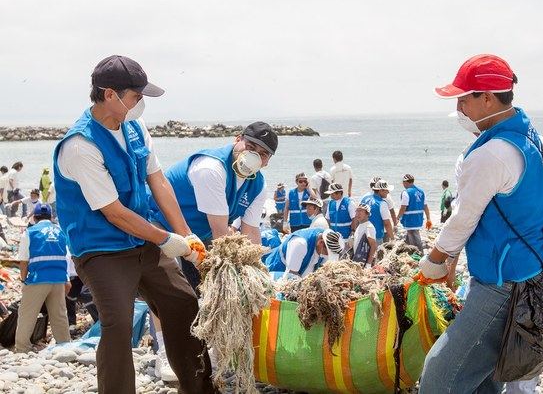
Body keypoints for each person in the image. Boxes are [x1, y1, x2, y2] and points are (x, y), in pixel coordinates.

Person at [418, 54, 543, 393]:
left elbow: (462, 220)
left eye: (464, 97)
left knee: (437, 376)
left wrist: (433, 263)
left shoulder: (490, 154)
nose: (460, 107)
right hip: (530, 278)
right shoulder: (533, 139)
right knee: (485, 379)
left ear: (487, 97)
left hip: (500, 287)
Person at [53, 55, 213, 393]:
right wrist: (167, 240)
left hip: (142, 240)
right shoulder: (80, 145)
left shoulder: (136, 128)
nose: (140, 104)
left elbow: (159, 182)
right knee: (117, 324)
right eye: (136, 96)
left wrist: (186, 234)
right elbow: (114, 212)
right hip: (101, 249)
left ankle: (200, 389)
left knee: (183, 304)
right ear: (110, 95)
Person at [150, 121, 276, 292]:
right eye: (250, 147)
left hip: (199, 234)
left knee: (204, 289)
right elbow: (220, 234)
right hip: (160, 223)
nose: (254, 156)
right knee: (176, 291)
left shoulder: (258, 185)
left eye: (262, 154)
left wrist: (256, 272)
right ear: (237, 139)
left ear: (267, 161)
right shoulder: (212, 168)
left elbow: (251, 231)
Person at [15, 203, 70, 352]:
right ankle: (65, 345)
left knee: (27, 314)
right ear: (51, 217)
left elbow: (24, 261)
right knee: (59, 315)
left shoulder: (30, 232)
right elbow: (66, 257)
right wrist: (67, 280)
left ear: (34, 217)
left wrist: (23, 280)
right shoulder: (60, 232)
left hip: (38, 279)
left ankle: (22, 348)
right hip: (58, 279)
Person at [262, 228, 344, 278]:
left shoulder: (324, 240)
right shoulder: (300, 244)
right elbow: (291, 275)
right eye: (327, 253)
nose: (326, 256)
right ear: (321, 243)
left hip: (300, 271)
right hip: (279, 269)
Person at [397, 174, 431, 251]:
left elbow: (403, 207)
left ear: (405, 182)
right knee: (410, 236)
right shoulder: (421, 191)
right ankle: (407, 250)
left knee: (415, 238)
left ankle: (419, 254)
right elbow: (425, 206)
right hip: (418, 218)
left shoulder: (406, 192)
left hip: (410, 219)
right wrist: (428, 218)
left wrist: (398, 217)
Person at [360, 179, 394, 244]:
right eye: (387, 190)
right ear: (381, 190)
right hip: (376, 236)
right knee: (376, 254)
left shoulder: (365, 199)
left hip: (363, 234)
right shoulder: (382, 203)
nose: (388, 192)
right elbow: (387, 223)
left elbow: (357, 217)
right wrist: (392, 238)